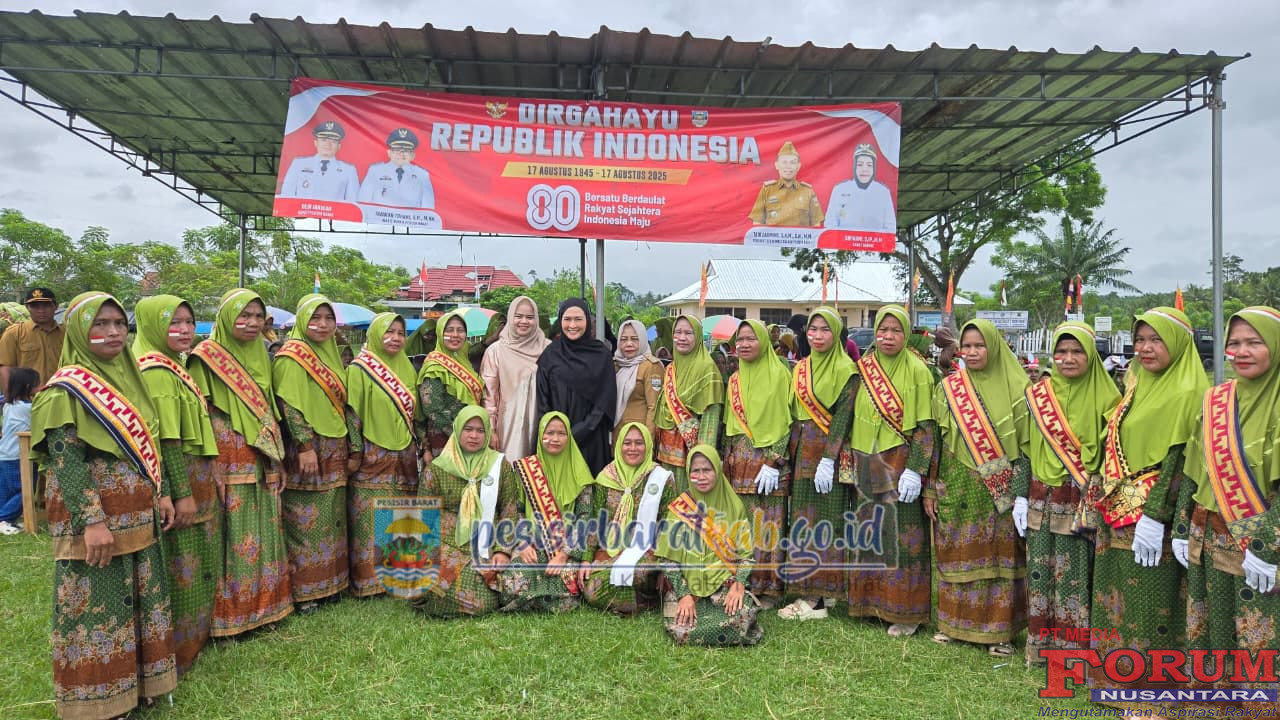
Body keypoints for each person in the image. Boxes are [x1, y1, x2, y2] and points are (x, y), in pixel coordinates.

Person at [32, 292, 177, 720]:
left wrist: (162, 492)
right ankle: (99, 699)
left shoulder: (132, 380)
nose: (113, 332)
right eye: (100, 324)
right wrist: (92, 522)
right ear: (80, 330)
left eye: (118, 324)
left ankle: (143, 686)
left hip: (139, 517)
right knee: (98, 607)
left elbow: (152, 444)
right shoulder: (64, 391)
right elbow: (67, 463)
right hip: (96, 524)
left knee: (142, 600)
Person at [1087, 307, 1205, 711]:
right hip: (1118, 509)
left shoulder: (1188, 393)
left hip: (1157, 518)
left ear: (1178, 343)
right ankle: (1115, 682)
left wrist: (1157, 516)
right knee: (1116, 596)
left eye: (1156, 339)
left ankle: (1153, 695)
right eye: (1140, 339)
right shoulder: (1135, 384)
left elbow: (1180, 462)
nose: (1145, 348)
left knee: (1154, 602)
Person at [1176, 306, 1280, 713]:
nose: (1242, 351)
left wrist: (1268, 547)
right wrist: (1182, 528)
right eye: (1234, 343)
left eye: (1255, 342)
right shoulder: (1216, 400)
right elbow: (1194, 468)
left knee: (1260, 637)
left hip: (1260, 547)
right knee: (1213, 630)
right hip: (1210, 539)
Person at [188, 289, 293, 637]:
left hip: (262, 453)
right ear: (226, 317)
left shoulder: (262, 353)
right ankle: (230, 616)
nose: (251, 323)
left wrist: (277, 459)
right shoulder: (205, 357)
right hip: (226, 456)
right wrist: (210, 463)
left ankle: (268, 607)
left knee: (265, 528)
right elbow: (199, 414)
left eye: (258, 316)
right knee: (233, 534)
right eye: (243, 315)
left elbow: (269, 408)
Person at [1018, 321, 1121, 665]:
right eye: (1061, 351)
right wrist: (1021, 496)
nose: (1068, 358)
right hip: (1040, 496)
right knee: (1039, 573)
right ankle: (1040, 649)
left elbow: (1112, 454)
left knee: (1076, 577)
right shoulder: (1039, 394)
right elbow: (1026, 447)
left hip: (1081, 498)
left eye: (1077, 351)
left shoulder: (1109, 397)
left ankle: (1074, 654)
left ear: (1091, 355)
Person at [927, 319, 1030, 656]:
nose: (971, 353)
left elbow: (1027, 448)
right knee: (955, 550)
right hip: (956, 482)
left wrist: (1021, 493)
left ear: (994, 347)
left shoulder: (1020, 388)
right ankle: (951, 625)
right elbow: (939, 440)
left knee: (999, 556)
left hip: (1000, 487)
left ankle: (999, 633)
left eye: (979, 346)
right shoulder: (949, 389)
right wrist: (932, 487)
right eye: (966, 346)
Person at [133, 295, 221, 675]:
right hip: (181, 478)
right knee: (182, 565)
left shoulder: (174, 365)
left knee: (193, 562)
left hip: (194, 477)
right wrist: (180, 494)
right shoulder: (156, 372)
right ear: (153, 325)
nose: (185, 330)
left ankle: (190, 643)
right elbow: (166, 441)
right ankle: (177, 650)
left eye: (188, 322)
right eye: (174, 323)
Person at [846, 305, 937, 637]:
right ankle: (871, 604)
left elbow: (926, 427)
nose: (887, 337)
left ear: (906, 334)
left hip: (900, 460)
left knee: (903, 536)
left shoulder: (918, 370)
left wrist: (916, 469)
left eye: (895, 330)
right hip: (866, 459)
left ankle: (906, 612)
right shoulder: (863, 367)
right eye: (882, 330)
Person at [273, 294, 350, 608]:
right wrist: (304, 446)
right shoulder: (292, 356)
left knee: (331, 516)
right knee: (305, 519)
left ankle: (330, 585)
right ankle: (306, 591)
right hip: (307, 448)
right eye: (315, 318)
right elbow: (288, 404)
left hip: (334, 445)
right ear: (303, 320)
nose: (322, 325)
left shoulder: (330, 354)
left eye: (328, 318)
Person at [779, 307, 856, 621]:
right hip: (802, 452)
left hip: (828, 457)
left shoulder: (847, 369)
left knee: (827, 521)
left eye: (825, 329)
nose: (817, 336)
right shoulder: (801, 368)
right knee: (803, 520)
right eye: (813, 329)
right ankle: (821, 589)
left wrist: (828, 458)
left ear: (836, 333)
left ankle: (816, 599)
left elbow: (843, 418)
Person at [411, 406, 521, 618]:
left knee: (495, 595)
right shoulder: (437, 469)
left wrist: (503, 551)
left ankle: (439, 596)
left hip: (486, 543)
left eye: (480, 430)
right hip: (446, 544)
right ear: (457, 430)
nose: (474, 436)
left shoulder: (500, 466)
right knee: (474, 600)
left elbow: (509, 510)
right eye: (468, 429)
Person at [658, 444, 763, 646]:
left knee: (740, 619)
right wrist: (683, 595)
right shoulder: (680, 509)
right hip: (686, 586)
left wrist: (738, 584)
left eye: (707, 470)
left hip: (724, 585)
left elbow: (746, 556)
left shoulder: (734, 506)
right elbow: (667, 560)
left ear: (717, 470)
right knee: (681, 630)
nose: (701, 476)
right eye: (695, 471)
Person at [346, 312, 420, 598]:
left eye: (400, 333)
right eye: (389, 332)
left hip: (404, 452)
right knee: (369, 518)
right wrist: (356, 450)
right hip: (372, 451)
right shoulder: (360, 369)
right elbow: (352, 414)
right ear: (376, 334)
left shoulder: (407, 366)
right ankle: (369, 582)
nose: (395, 338)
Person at [722, 320, 793, 604]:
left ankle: (769, 588)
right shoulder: (734, 379)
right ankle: (743, 583)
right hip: (740, 462)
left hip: (770, 462)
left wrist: (775, 461)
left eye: (751, 338)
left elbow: (789, 421)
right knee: (743, 525)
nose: (744, 344)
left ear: (763, 341)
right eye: (740, 339)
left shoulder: (780, 374)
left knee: (769, 525)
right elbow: (730, 423)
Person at [499, 411, 594, 612]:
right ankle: (542, 599)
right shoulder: (526, 470)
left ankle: (530, 600)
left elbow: (584, 518)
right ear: (540, 435)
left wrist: (564, 555)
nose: (555, 439)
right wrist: (524, 543)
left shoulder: (581, 473)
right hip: (533, 545)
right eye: (549, 433)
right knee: (510, 583)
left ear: (569, 437)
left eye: (561, 433)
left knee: (566, 588)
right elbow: (517, 510)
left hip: (565, 548)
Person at [581, 422, 676, 615]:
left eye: (639, 443)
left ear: (648, 446)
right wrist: (586, 559)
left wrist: (665, 566)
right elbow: (596, 522)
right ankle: (645, 601)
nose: (633, 448)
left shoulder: (660, 478)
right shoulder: (606, 477)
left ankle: (641, 594)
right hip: (611, 550)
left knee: (637, 572)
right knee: (590, 590)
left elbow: (668, 524)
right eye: (627, 443)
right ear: (618, 446)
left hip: (647, 551)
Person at [536, 299, 616, 475]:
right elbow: (542, 401)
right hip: (556, 440)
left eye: (578, 319)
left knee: (589, 487)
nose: (572, 325)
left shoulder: (601, 355)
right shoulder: (550, 355)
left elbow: (604, 401)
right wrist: (555, 433)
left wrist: (578, 432)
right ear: (560, 321)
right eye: (567, 319)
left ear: (587, 320)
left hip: (592, 439)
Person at [654, 315, 724, 493]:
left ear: (698, 336)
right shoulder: (671, 369)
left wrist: (703, 458)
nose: (682, 338)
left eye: (688, 333)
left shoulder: (708, 369)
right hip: (665, 452)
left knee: (690, 502)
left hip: (691, 454)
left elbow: (711, 419)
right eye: (677, 332)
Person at [481, 296, 549, 462]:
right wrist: (491, 429)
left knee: (538, 472)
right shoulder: (495, 351)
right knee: (509, 470)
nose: (524, 321)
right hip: (507, 427)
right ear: (511, 317)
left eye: (530, 317)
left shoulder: (548, 349)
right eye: (518, 316)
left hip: (541, 423)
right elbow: (489, 396)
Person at [416, 310, 485, 463]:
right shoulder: (434, 366)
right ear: (440, 333)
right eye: (449, 330)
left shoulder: (465, 363)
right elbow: (433, 409)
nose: (455, 335)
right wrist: (461, 434)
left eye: (460, 330)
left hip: (471, 438)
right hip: (445, 440)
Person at [278, 120, 360, 201]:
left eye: (333, 141)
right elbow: (286, 196)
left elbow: (353, 203)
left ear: (339, 146)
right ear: (316, 143)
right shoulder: (299, 164)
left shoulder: (349, 171)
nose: (328, 144)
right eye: (324, 140)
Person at [747, 141, 824, 226]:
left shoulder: (808, 191)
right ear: (777, 165)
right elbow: (757, 223)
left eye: (792, 162)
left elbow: (816, 224)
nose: (788, 166)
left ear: (798, 166)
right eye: (784, 162)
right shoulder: (767, 190)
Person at [824, 143, 896, 233]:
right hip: (845, 241)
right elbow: (830, 225)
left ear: (874, 168)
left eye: (869, 165)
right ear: (854, 167)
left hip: (873, 241)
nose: (864, 169)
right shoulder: (840, 190)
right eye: (860, 164)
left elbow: (890, 228)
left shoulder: (883, 192)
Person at [0, 287, 65, 385]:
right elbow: (4, 369)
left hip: (62, 391)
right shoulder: (14, 334)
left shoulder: (66, 333)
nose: (41, 310)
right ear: (27, 307)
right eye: (35, 306)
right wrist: (13, 393)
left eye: (46, 305)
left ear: (56, 306)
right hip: (28, 393)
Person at [358, 128, 436, 207]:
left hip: (410, 215)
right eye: (397, 149)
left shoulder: (422, 175)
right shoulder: (375, 171)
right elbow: (363, 202)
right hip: (379, 215)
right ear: (389, 153)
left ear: (413, 155)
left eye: (406, 150)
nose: (401, 153)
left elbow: (428, 208)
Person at [613, 319, 664, 439]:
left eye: (635, 339)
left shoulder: (651, 366)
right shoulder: (616, 364)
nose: (629, 344)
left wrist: (647, 439)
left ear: (642, 340)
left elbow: (654, 408)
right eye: (624, 339)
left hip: (639, 435)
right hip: (618, 432)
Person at [0, 367, 36, 535]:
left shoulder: (9, 404)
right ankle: (3, 518)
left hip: (4, 454)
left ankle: (6, 520)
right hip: (18, 456)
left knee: (5, 491)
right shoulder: (29, 408)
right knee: (24, 489)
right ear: (28, 386)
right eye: (38, 384)